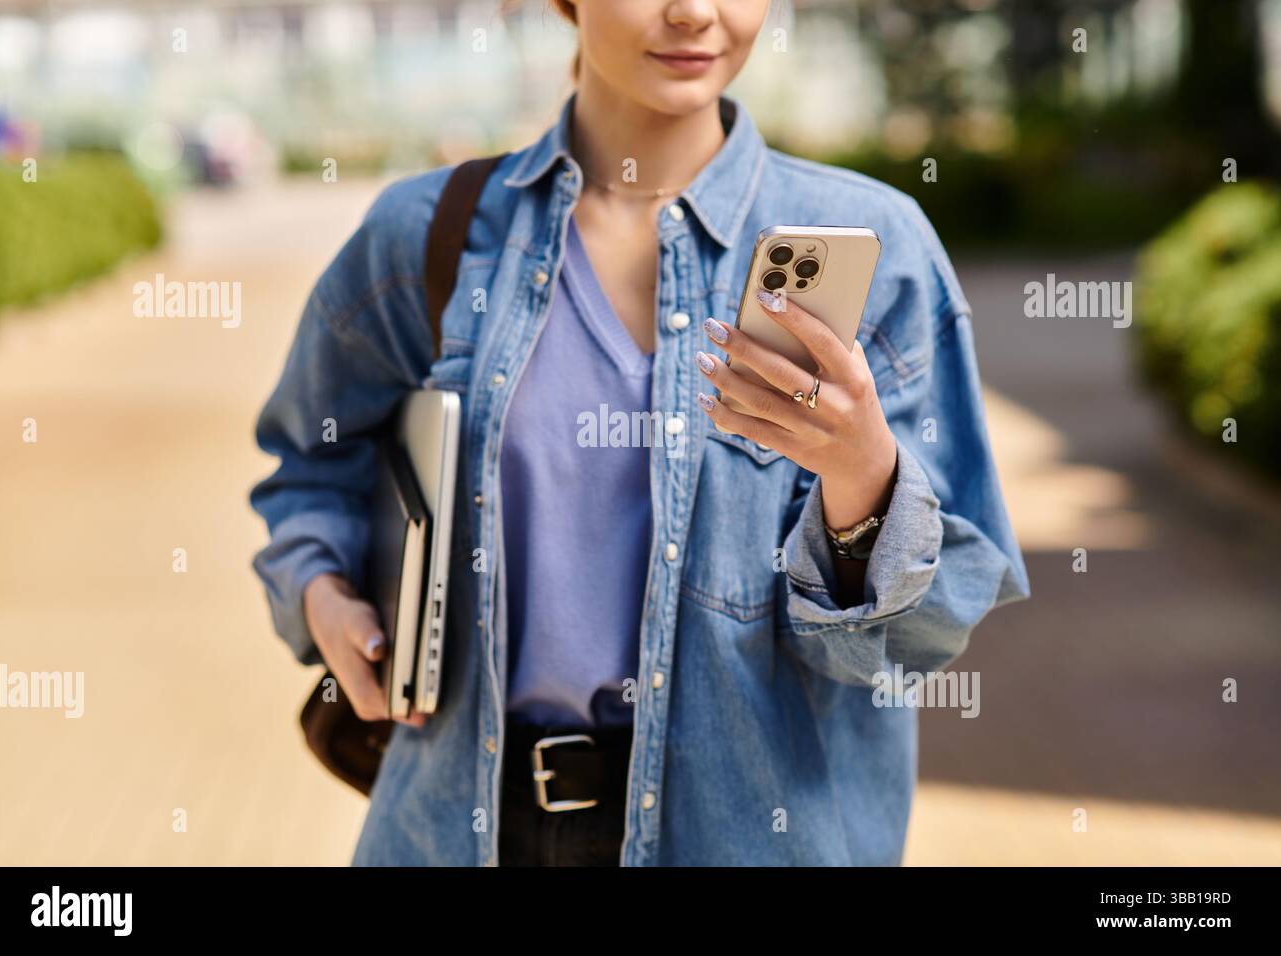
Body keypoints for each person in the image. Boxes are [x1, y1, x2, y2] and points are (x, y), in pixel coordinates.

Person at [249, 0, 1029, 866]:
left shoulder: (879, 251)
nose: (694, 11)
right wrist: (320, 590)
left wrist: (863, 480)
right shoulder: (429, 238)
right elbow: (312, 464)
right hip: (459, 829)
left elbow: (911, 639)